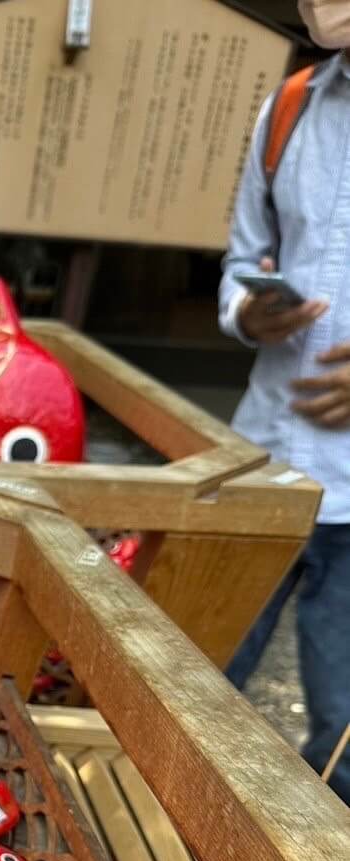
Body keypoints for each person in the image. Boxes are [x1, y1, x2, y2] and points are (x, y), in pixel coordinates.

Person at [219, 0, 350, 805]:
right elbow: (241, 260)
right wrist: (247, 311)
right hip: (264, 454)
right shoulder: (291, 106)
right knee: (192, 685)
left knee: (342, 745)